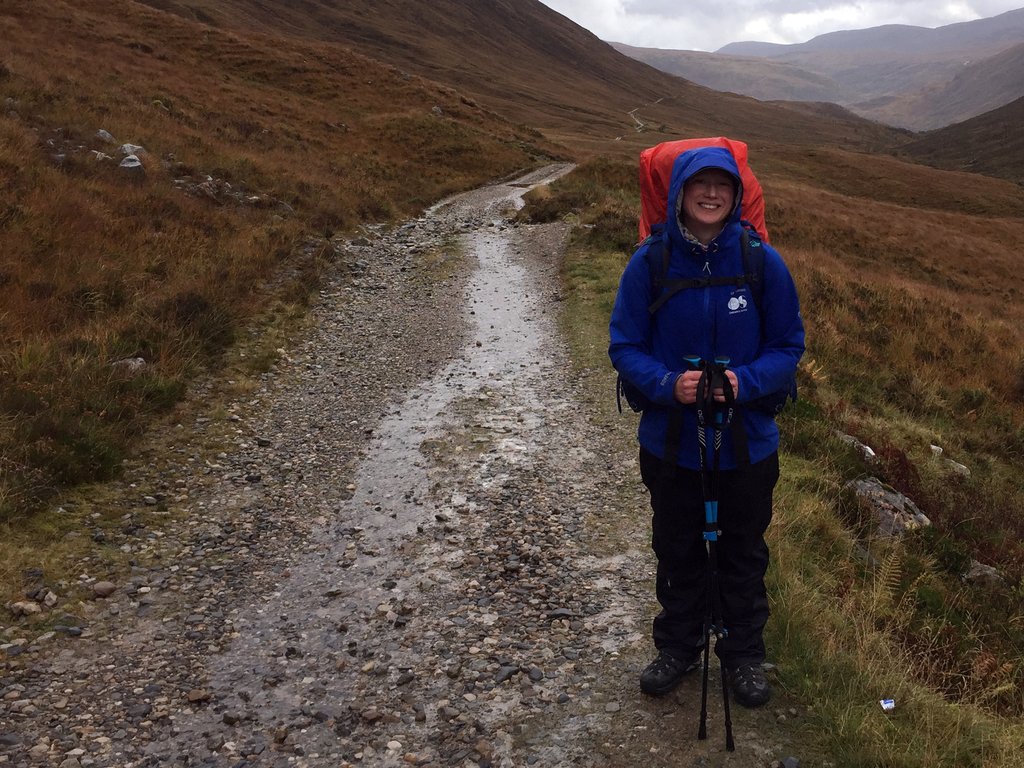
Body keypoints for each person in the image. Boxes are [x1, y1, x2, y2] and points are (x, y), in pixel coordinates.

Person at [608, 145, 805, 707]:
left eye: (722, 184)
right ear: (680, 193)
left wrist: (744, 381)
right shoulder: (649, 262)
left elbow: (788, 345)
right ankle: (679, 646)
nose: (711, 194)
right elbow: (624, 344)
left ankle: (743, 655)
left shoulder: (761, 262)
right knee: (677, 547)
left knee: (744, 551)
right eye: (700, 184)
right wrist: (669, 384)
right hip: (672, 443)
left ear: (737, 193)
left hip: (748, 444)